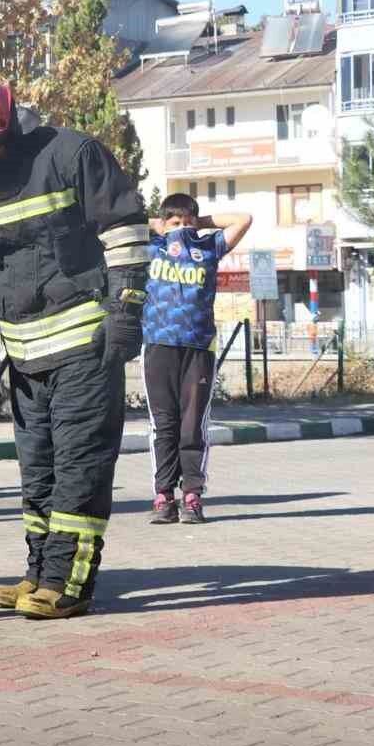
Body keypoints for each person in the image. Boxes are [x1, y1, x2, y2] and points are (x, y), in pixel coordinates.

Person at [0, 65, 148, 620]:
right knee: (39, 469)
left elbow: (125, 233)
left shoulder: (72, 155)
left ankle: (68, 583)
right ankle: (40, 572)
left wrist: (125, 312)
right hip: (24, 354)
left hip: (84, 342)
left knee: (78, 465)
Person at [143, 194, 252, 525]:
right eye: (175, 222)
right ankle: (163, 496)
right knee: (163, 425)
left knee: (192, 425)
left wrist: (197, 224)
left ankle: (192, 495)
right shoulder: (153, 247)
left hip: (199, 348)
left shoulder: (208, 248)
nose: (182, 227)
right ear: (163, 223)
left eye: (187, 221)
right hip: (158, 345)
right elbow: (125, 226)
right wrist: (162, 226)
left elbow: (243, 219)